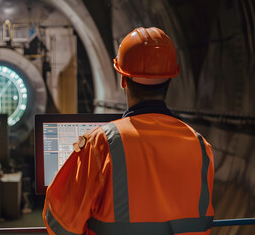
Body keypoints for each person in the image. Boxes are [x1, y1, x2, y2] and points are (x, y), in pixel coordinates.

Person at [43, 27, 214, 235]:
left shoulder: (103, 143)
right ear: (170, 79)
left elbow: (59, 222)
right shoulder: (200, 145)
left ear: (123, 80)